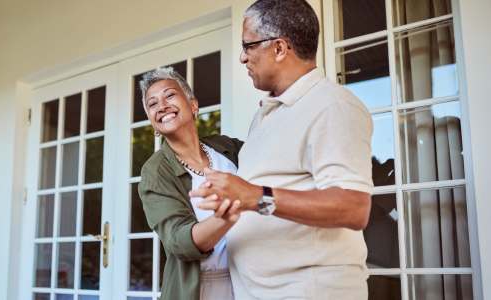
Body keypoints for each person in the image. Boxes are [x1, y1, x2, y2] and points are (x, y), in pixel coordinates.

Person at [190, 0, 374, 299]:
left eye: (248, 45)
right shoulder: (265, 115)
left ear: (279, 48)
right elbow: (267, 201)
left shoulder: (332, 106)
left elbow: (353, 208)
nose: (242, 57)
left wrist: (252, 195)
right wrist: (246, 200)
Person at [137, 67, 243, 300]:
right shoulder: (154, 172)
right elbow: (178, 242)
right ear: (153, 123)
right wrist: (226, 217)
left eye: (170, 95)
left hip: (250, 280)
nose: (162, 106)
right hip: (202, 289)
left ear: (193, 105)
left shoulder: (228, 149)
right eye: (152, 104)